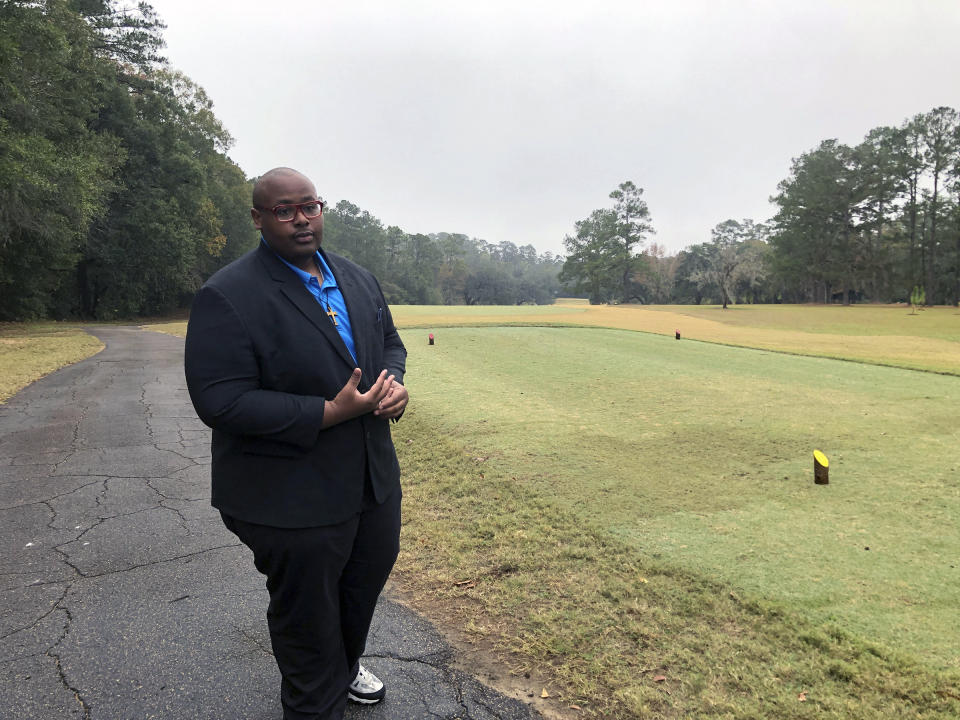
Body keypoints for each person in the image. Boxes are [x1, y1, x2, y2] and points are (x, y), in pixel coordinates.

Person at [184, 167, 408, 720]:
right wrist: (329, 412)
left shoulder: (356, 277)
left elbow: (389, 342)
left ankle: (345, 665)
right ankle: (316, 698)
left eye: (310, 205)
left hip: (371, 483)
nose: (301, 218)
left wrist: (395, 383)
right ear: (259, 218)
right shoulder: (229, 294)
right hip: (288, 495)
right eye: (284, 210)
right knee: (307, 622)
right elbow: (221, 401)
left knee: (360, 592)